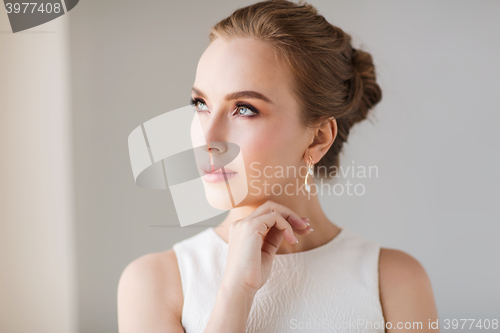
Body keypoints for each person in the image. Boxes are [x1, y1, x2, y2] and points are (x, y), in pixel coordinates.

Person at [117, 1, 439, 332]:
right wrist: (235, 292)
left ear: (317, 138)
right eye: (200, 104)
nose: (207, 138)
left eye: (244, 109)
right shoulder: (155, 284)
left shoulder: (394, 281)